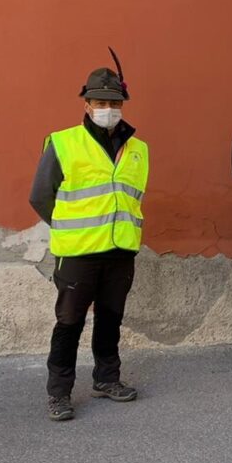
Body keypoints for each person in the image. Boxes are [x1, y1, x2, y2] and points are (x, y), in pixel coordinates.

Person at [29, 56, 148, 422]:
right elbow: (40, 196)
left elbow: (132, 197)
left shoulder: (138, 149)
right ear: (87, 104)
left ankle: (107, 379)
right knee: (69, 323)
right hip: (79, 252)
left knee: (111, 319)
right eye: (100, 102)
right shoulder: (64, 143)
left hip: (119, 250)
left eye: (114, 103)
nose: (108, 109)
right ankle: (59, 393)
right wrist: (68, 225)